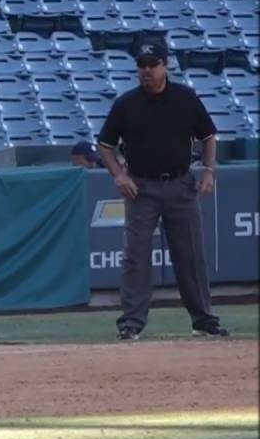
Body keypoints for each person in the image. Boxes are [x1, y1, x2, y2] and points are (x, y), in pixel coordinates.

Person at [95, 40, 230, 340]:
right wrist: (118, 174)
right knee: (136, 255)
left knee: (190, 255)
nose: (146, 71)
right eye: (141, 65)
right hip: (141, 188)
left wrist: (208, 171)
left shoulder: (185, 98)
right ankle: (131, 324)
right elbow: (104, 145)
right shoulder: (126, 104)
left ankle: (204, 321)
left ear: (165, 65)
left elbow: (209, 136)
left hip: (181, 184)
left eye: (152, 64)